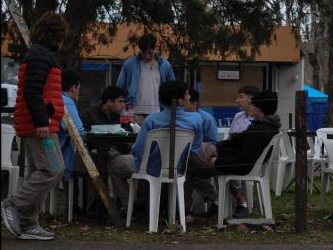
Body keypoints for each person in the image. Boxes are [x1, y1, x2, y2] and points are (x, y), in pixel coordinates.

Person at [1, 12, 68, 241]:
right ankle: (12, 204)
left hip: (35, 122)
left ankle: (28, 224)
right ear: (56, 34)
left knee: (36, 172)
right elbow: (32, 91)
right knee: (53, 168)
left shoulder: (38, 54)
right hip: (40, 124)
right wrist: (42, 122)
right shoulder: (41, 56)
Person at [117, 81, 220, 219]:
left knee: (115, 165)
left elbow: (138, 150)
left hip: (151, 170)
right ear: (180, 100)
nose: (189, 98)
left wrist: (142, 161)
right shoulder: (196, 119)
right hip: (180, 169)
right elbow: (195, 148)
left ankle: (131, 208)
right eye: (187, 95)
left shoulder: (152, 120)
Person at [190, 90, 281, 219]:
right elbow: (238, 144)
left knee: (188, 157)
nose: (251, 107)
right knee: (190, 162)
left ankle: (223, 201)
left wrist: (217, 161)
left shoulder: (260, 131)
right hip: (223, 152)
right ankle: (218, 201)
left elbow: (243, 163)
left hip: (226, 158)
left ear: (258, 109)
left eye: (253, 105)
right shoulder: (266, 126)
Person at [81, 85, 138, 215]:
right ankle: (99, 205)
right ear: (109, 102)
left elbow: (126, 142)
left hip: (116, 154)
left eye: (124, 101)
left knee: (113, 164)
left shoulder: (121, 117)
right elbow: (85, 138)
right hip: (95, 153)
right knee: (102, 163)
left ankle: (117, 207)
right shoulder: (89, 114)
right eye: (120, 101)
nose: (123, 106)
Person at [115, 33, 175, 125]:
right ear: (140, 50)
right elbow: (119, 87)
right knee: (135, 139)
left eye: (150, 53)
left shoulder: (164, 65)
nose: (147, 56)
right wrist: (123, 106)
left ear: (155, 49)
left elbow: (172, 88)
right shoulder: (129, 64)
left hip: (158, 112)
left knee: (155, 138)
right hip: (134, 113)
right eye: (144, 53)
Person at [57, 69, 86, 202]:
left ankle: (75, 205)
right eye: (79, 88)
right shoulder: (67, 101)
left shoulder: (57, 98)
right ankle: (84, 207)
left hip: (53, 150)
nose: (79, 91)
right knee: (98, 163)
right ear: (74, 87)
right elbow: (78, 131)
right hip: (61, 155)